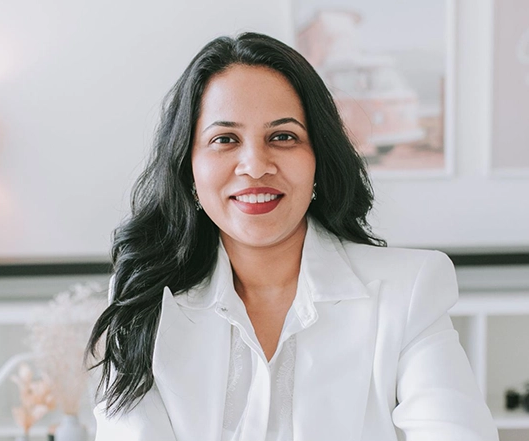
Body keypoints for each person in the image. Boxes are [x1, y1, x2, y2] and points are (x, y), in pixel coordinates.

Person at [87, 32, 499, 441]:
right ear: (188, 168)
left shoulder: (407, 292)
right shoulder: (144, 295)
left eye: (282, 137)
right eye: (224, 139)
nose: (255, 166)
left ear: (318, 158)